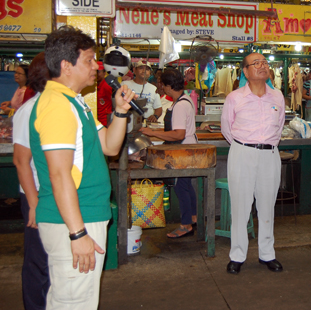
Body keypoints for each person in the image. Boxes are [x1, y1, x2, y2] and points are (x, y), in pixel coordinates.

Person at [30, 26, 135, 310]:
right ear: (66, 65)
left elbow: (110, 147)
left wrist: (121, 112)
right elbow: (59, 173)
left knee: (75, 299)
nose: (96, 66)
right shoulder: (57, 106)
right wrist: (77, 233)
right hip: (74, 221)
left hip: (84, 216)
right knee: (73, 302)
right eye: (89, 59)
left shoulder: (76, 103)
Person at [221, 52, 285, 275]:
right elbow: (227, 130)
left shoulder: (277, 97)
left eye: (265, 62)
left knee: (267, 206)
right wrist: (245, 147)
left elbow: (280, 125)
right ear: (245, 72)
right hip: (242, 153)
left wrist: (266, 147)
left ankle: (267, 253)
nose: (262, 66)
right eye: (255, 63)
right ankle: (237, 255)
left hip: (270, 154)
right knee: (240, 206)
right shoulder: (234, 98)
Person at [140, 68, 198, 238]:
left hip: (182, 150)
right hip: (185, 149)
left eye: (163, 85)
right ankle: (193, 217)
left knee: (181, 188)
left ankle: (186, 225)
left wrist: (152, 133)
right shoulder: (183, 100)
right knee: (186, 186)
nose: (162, 88)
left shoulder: (180, 105)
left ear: (168, 86)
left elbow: (179, 134)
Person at [12, 52, 50, 310]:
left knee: (52, 258)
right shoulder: (29, 110)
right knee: (38, 259)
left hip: (53, 191)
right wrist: (34, 204)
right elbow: (20, 161)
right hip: (35, 192)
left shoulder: (64, 106)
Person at [96, 61, 113, 127]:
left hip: (105, 122)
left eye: (98, 72)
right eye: (95, 72)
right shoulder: (95, 86)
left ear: (104, 73)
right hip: (97, 121)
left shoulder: (106, 86)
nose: (96, 74)